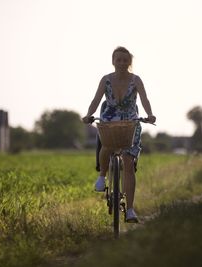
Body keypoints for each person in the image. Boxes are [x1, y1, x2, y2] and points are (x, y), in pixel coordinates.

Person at [82, 46, 156, 223]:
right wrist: (88, 114)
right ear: (113, 61)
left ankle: (130, 210)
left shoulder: (136, 80)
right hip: (109, 118)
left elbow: (144, 99)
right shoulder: (106, 80)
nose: (122, 63)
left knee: (129, 164)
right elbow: (96, 99)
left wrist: (150, 113)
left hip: (131, 120)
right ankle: (102, 177)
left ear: (129, 62)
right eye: (118, 60)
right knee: (107, 146)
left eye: (125, 60)